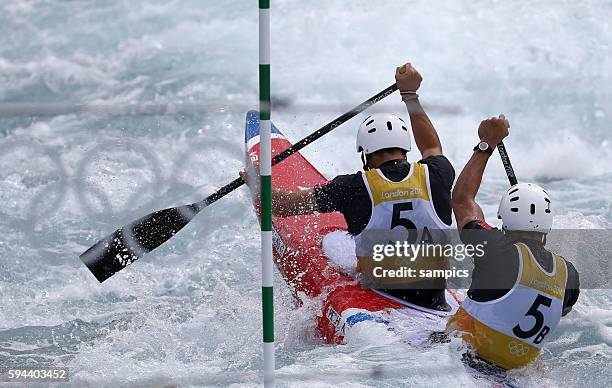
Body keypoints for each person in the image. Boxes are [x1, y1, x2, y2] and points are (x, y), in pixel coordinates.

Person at [241, 63, 455, 311]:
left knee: (332, 242)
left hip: (382, 295)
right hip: (435, 301)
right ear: (406, 148)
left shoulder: (352, 187)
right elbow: (431, 147)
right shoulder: (436, 174)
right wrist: (410, 95)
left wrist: (258, 184)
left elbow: (281, 207)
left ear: (366, 155)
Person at [447, 114, 580, 370]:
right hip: (518, 373)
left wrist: (487, 143)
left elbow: (462, 201)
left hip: (466, 362)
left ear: (505, 220)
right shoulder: (569, 275)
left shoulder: (497, 250)